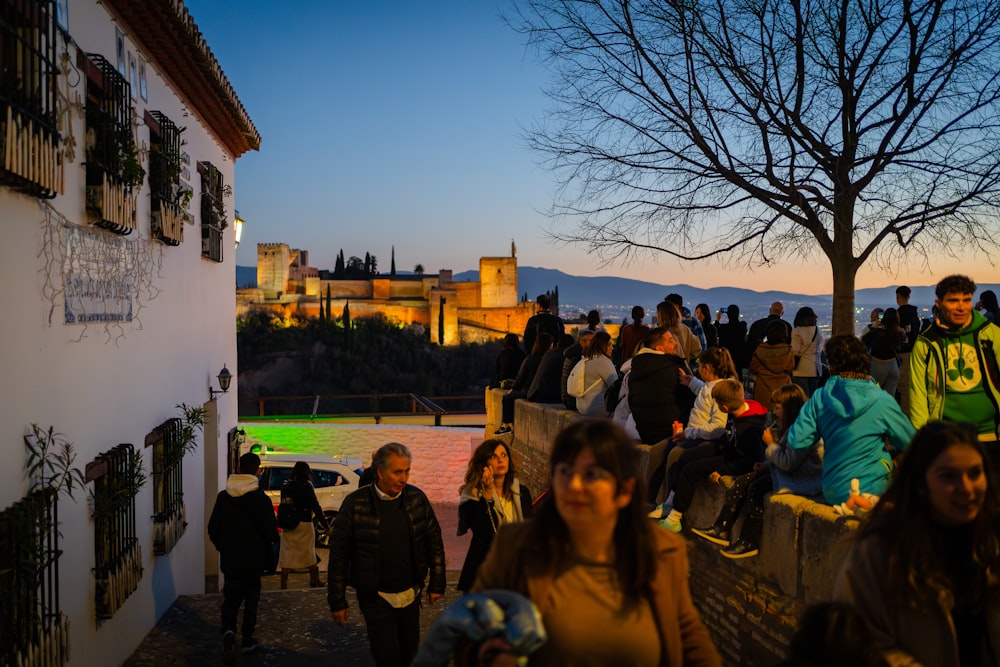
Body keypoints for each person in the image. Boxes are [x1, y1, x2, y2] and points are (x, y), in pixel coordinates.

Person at [470, 419, 722, 666]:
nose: (575, 485)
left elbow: (687, 633)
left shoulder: (663, 550)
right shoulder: (515, 546)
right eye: (565, 471)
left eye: (591, 474)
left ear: (624, 491)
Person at [836, 421, 1000, 666]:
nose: (966, 488)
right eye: (948, 476)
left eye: (975, 473)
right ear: (921, 484)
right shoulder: (877, 553)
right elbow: (861, 642)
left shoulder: (992, 541)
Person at [328, 442, 446, 667]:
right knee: (387, 656)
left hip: (411, 592)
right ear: (380, 472)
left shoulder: (416, 499)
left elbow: (434, 541)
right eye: (397, 472)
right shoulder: (355, 505)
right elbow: (339, 556)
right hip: (376, 596)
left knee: (409, 652)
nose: (404, 479)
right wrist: (337, 600)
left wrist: (437, 583)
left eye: (407, 471)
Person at [691, 384, 821, 558]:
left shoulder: (801, 430)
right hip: (794, 473)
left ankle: (748, 540)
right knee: (743, 481)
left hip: (804, 479)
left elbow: (788, 462)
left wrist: (770, 444)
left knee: (756, 488)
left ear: (788, 408)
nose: (774, 412)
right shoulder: (793, 426)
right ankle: (721, 527)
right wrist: (766, 465)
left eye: (777, 408)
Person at [788, 335, 915, 504]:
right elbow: (911, 442)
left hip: (833, 489)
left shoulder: (820, 397)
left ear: (832, 364)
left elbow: (797, 441)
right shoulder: (880, 400)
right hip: (873, 488)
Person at [659, 378, 769, 533]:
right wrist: (717, 444)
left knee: (692, 469)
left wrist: (724, 471)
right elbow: (729, 434)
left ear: (724, 407)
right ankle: (671, 501)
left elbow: (752, 459)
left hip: (734, 460)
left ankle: (675, 518)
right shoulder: (738, 411)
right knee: (686, 456)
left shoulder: (749, 429)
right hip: (727, 448)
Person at [910, 274, 1000, 463]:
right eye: (953, 301)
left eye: (966, 300)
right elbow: (917, 392)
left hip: (992, 435)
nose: (961, 307)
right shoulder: (926, 342)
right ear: (939, 303)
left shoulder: (992, 335)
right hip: (946, 437)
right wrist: (922, 437)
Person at [207, 452, 279, 662]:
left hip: (231, 558)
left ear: (238, 469)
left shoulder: (224, 497)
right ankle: (247, 638)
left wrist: (224, 546)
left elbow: (213, 528)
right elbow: (271, 533)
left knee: (230, 598)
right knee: (251, 599)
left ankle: (229, 631)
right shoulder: (261, 499)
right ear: (257, 471)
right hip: (254, 559)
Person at [457, 440, 533, 592]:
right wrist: (488, 495)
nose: (500, 460)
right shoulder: (471, 495)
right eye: (494, 456)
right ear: (484, 464)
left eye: (504, 455)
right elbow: (484, 531)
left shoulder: (521, 492)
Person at [628, 328, 695, 445]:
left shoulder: (635, 369)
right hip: (675, 432)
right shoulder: (676, 369)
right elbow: (691, 400)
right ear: (659, 348)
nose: (675, 343)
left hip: (645, 432)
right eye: (670, 341)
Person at [277, 461, 328, 589]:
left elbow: (284, 504)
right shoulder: (307, 486)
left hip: (289, 524)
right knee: (308, 553)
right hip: (305, 523)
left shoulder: (286, 486)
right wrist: (326, 525)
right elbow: (316, 506)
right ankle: (314, 580)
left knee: (287, 553)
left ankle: (284, 584)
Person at [495, 333, 553, 435]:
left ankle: (505, 425)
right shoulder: (549, 359)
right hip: (547, 393)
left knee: (507, 397)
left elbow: (520, 378)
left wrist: (513, 389)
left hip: (530, 392)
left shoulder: (530, 359)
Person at [749, 319, 795, 410]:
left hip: (762, 392)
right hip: (783, 391)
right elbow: (790, 368)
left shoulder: (760, 350)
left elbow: (752, 368)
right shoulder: (788, 350)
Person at [862, 307, 905, 398]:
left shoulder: (877, 332)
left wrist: (874, 327)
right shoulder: (899, 333)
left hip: (878, 365)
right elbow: (900, 347)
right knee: (889, 397)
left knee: (873, 394)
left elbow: (864, 340)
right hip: (893, 366)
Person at [573, 330, 618, 417]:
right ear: (602, 346)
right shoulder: (602, 362)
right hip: (596, 407)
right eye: (609, 345)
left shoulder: (586, 359)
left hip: (581, 407)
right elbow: (615, 386)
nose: (612, 348)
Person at [895, 286, 923, 417]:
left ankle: (904, 413)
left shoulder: (898, 314)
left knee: (902, 385)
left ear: (898, 297)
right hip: (913, 352)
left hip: (902, 354)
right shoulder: (914, 314)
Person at [791, 306, 824, 397]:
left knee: (802, 396)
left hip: (801, 369)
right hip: (816, 368)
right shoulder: (818, 330)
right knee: (813, 396)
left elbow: (795, 351)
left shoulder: (797, 331)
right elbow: (820, 347)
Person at [561, 329, 595, 411]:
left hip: (567, 398)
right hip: (573, 400)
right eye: (592, 341)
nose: (594, 344)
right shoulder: (578, 357)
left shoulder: (572, 353)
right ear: (582, 341)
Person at [715, 304, 748, 372]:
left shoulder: (723, 328)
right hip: (738, 359)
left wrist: (718, 319)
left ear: (728, 314)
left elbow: (715, 330)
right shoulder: (742, 326)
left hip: (724, 359)